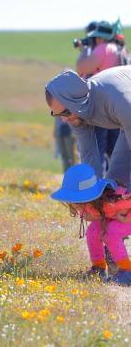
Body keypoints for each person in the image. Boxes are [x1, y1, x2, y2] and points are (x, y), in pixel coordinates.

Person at [45, 66, 131, 191]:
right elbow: (88, 154)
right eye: (58, 115)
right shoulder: (77, 112)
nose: (64, 120)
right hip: (127, 121)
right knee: (115, 184)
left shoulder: (117, 101)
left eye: (66, 112)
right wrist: (91, 193)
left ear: (76, 101)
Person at [51, 163, 131, 285]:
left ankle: (127, 271)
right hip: (112, 218)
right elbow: (95, 217)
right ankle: (98, 267)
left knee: (110, 232)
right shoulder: (88, 203)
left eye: (75, 200)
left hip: (127, 218)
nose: (72, 204)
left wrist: (127, 218)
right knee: (93, 231)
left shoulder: (113, 199)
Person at [76, 20, 120, 173]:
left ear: (100, 38)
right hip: (118, 104)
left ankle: (97, 189)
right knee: (116, 149)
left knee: (97, 148)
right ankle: (121, 188)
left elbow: (81, 68)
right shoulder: (119, 50)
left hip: (101, 103)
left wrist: (84, 50)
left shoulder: (103, 48)